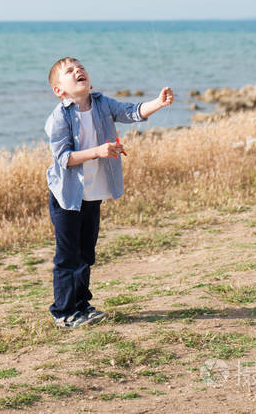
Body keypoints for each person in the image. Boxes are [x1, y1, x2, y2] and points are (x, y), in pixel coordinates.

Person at [44, 56, 174, 328]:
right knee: (68, 257)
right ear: (60, 90)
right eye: (70, 71)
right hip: (67, 197)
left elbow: (131, 111)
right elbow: (64, 158)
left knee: (86, 254)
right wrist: (99, 151)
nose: (78, 71)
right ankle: (63, 312)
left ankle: (82, 305)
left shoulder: (102, 104)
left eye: (81, 68)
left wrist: (158, 103)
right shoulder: (58, 118)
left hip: (92, 194)